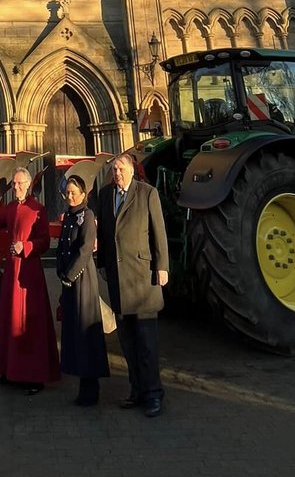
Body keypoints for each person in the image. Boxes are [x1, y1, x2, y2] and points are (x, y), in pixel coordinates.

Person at [96, 153, 169, 418]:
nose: (116, 173)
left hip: (142, 278)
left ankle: (153, 394)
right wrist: (101, 263)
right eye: (114, 169)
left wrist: (162, 267)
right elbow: (104, 233)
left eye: (121, 168)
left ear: (131, 170)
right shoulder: (105, 195)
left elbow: (158, 231)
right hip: (118, 279)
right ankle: (137, 389)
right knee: (127, 342)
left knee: (147, 342)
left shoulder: (147, 193)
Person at [0, 166, 60, 394]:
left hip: (29, 272)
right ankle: (10, 371)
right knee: (10, 320)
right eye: (13, 183)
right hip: (12, 270)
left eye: (18, 183)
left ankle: (34, 376)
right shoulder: (12, 207)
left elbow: (45, 241)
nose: (15, 187)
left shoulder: (38, 209)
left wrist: (25, 246)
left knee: (29, 322)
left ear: (28, 184)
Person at [56, 174, 110, 406]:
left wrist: (69, 275)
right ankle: (83, 384)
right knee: (75, 332)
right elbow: (63, 246)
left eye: (74, 193)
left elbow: (85, 248)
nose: (70, 196)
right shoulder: (69, 216)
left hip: (82, 281)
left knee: (85, 330)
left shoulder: (86, 216)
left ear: (84, 194)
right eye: (67, 193)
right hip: (69, 281)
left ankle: (91, 387)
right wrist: (60, 272)